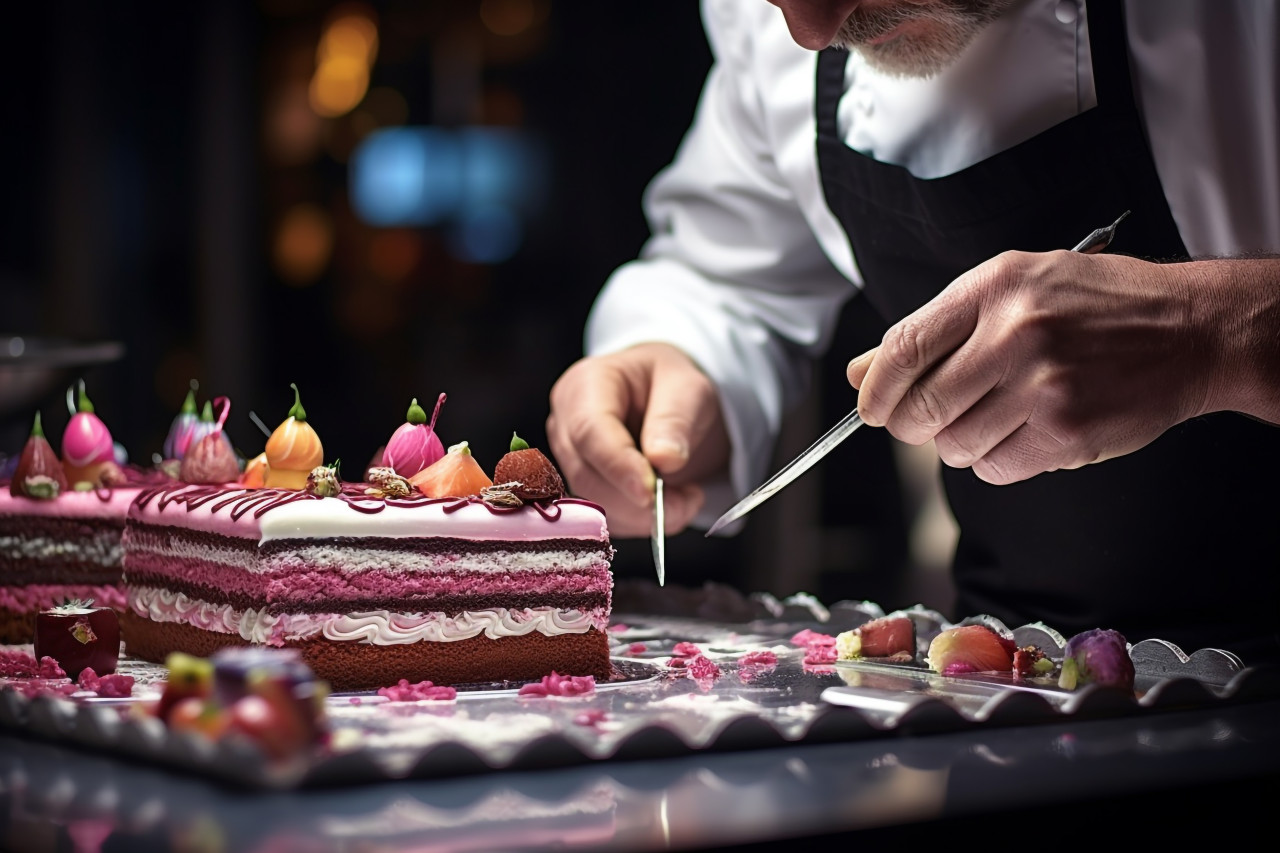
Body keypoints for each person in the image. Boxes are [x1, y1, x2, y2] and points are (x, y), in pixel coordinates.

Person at [546, 0, 1280, 663]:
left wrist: (1215, 335)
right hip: (1016, 681)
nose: (812, 32)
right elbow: (729, 278)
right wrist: (676, 365)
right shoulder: (784, 23)